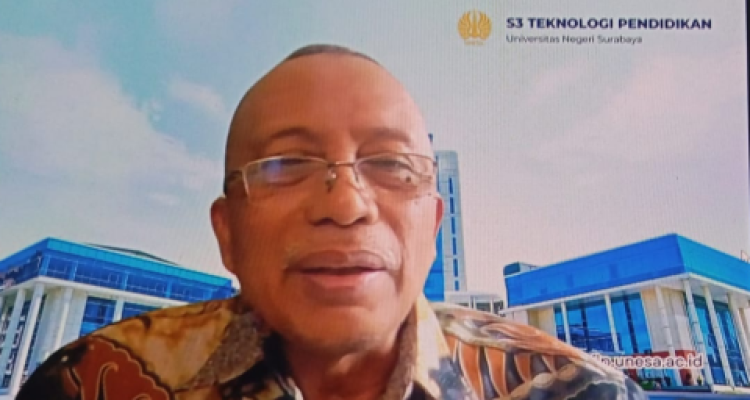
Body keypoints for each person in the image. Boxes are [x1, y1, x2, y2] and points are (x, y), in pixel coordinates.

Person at [16, 44, 646, 400]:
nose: (345, 206)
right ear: (227, 232)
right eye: (285, 165)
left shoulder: (576, 392)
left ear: (433, 227)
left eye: (391, 164)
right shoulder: (85, 384)